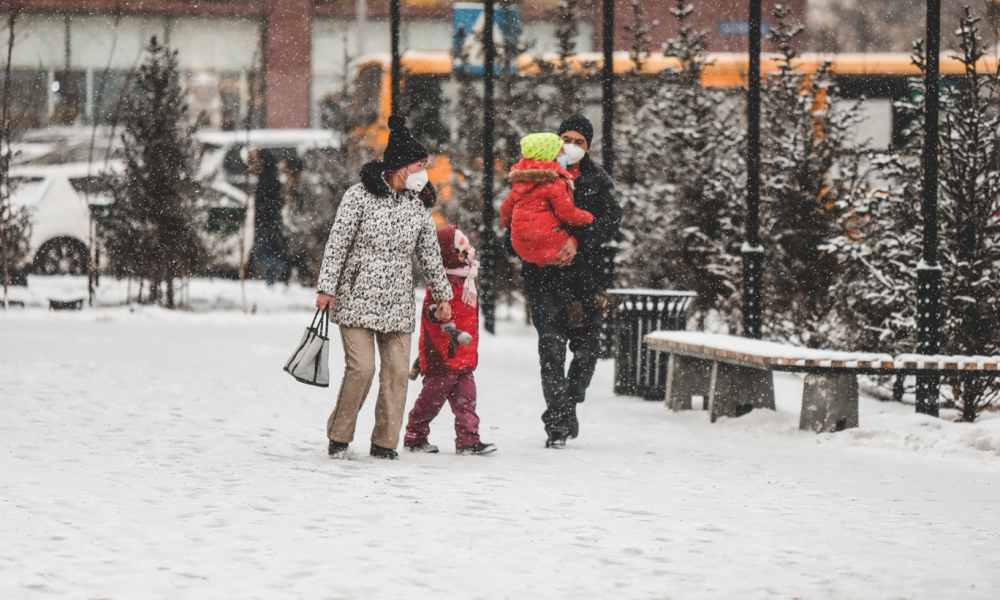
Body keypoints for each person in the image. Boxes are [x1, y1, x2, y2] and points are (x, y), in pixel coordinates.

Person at [315, 116, 453, 460]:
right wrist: (326, 288)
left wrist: (443, 296)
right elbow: (338, 243)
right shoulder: (358, 197)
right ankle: (340, 435)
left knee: (396, 374)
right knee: (362, 368)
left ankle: (384, 442)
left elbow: (429, 254)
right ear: (399, 167)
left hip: (397, 303)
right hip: (355, 296)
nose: (424, 172)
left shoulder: (418, 205)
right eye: (419, 165)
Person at [520, 115, 622, 449]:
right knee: (551, 350)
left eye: (579, 141)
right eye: (567, 138)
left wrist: (578, 240)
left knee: (587, 352)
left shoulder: (597, 179)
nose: (572, 146)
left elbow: (610, 220)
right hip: (544, 278)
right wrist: (533, 246)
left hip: (585, 280)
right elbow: (513, 224)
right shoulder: (536, 174)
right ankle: (558, 423)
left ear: (588, 145)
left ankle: (569, 403)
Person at [403, 226, 496, 456]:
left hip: (463, 354)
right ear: (449, 254)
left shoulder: (467, 280)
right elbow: (429, 309)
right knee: (430, 400)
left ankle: (468, 440)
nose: (469, 255)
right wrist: (436, 312)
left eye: (468, 250)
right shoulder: (441, 282)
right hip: (442, 354)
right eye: (463, 252)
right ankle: (415, 435)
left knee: (467, 400)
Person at [500, 132, 595, 266]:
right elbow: (567, 214)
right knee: (575, 251)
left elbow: (505, 211)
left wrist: (515, 226)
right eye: (561, 150)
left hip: (521, 247)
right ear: (550, 155)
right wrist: (589, 217)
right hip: (549, 242)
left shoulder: (520, 182)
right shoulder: (555, 181)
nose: (565, 153)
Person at [248, 148, 290, 285]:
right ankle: (273, 283)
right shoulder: (269, 178)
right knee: (263, 255)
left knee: (259, 254)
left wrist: (266, 227)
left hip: (267, 227)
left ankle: (278, 273)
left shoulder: (268, 181)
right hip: (267, 226)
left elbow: (272, 205)